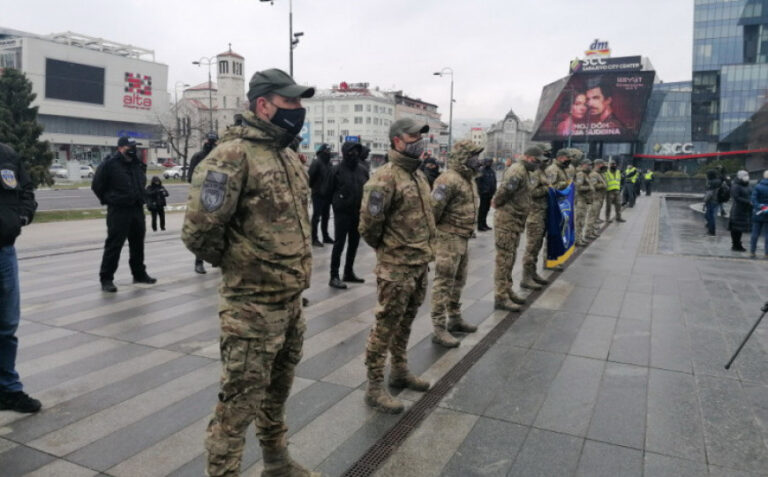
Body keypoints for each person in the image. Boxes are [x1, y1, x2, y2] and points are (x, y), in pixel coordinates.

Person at [182, 68, 319, 477]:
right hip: (252, 310)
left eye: (298, 102)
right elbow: (199, 233)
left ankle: (276, 463)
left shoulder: (286, 155)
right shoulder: (232, 156)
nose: (298, 110)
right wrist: (244, 266)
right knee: (237, 407)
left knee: (277, 394)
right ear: (263, 105)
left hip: (290, 303)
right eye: (290, 102)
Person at [359, 117, 436, 414]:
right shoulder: (384, 178)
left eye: (421, 135)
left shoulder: (418, 176)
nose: (419, 139)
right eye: (413, 135)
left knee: (405, 322)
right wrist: (390, 250)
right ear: (396, 141)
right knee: (385, 326)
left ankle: (400, 370)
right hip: (396, 268)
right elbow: (368, 226)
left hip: (419, 265)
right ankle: (374, 386)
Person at [430, 140, 483, 348]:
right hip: (448, 238)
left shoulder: (468, 179)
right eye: (473, 156)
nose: (477, 160)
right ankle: (438, 327)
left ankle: (454, 317)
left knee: (459, 280)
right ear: (463, 157)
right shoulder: (448, 179)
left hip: (463, 237)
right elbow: (433, 210)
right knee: (443, 282)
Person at [0, 142, 41, 414]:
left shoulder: (7, 155)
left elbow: (26, 190)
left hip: (4, 250)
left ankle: (7, 389)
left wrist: (21, 217)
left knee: (7, 323)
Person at [92, 137, 156, 293]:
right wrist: (109, 199)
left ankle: (139, 274)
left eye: (135, 146)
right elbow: (97, 185)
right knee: (114, 245)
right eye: (130, 146)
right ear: (120, 148)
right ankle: (106, 278)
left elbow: (141, 182)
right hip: (119, 210)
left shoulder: (137, 164)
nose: (133, 149)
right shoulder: (110, 164)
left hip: (136, 209)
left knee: (138, 244)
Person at [493, 146, 542, 311]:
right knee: (504, 261)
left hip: (515, 221)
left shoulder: (525, 171)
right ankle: (500, 297)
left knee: (510, 259)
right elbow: (504, 192)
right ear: (528, 157)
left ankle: (507, 290)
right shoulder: (517, 171)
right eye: (536, 160)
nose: (538, 164)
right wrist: (497, 204)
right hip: (507, 221)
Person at [327, 141, 368, 289]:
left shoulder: (362, 170)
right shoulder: (336, 170)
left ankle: (348, 272)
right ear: (345, 153)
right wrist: (337, 204)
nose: (354, 154)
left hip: (357, 212)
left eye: (357, 151)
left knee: (354, 243)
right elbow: (328, 190)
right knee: (339, 244)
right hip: (342, 212)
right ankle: (334, 276)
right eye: (351, 151)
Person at [187, 133, 219, 274]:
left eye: (213, 141)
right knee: (201, 230)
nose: (211, 143)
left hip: (217, 196)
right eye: (209, 141)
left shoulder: (220, 156)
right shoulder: (198, 156)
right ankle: (198, 262)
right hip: (201, 196)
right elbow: (190, 177)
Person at [520, 149, 551, 291]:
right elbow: (531, 192)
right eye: (542, 160)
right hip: (535, 215)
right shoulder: (535, 174)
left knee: (537, 246)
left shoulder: (543, 173)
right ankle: (526, 277)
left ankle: (533, 273)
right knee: (531, 247)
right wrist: (546, 189)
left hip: (543, 214)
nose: (545, 162)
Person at [308, 143, 334, 247]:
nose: (329, 153)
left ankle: (325, 236)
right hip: (318, 194)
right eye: (327, 151)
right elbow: (310, 178)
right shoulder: (316, 162)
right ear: (322, 152)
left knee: (326, 216)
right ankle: (314, 238)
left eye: (329, 151)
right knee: (316, 217)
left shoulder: (329, 164)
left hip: (327, 195)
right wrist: (316, 188)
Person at [728, 170, 751, 252]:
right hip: (737, 210)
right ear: (740, 176)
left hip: (745, 210)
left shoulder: (747, 185)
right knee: (735, 228)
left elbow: (750, 194)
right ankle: (735, 245)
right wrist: (748, 201)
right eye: (745, 175)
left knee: (740, 229)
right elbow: (736, 197)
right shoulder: (736, 186)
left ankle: (738, 244)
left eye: (747, 175)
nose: (747, 177)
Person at [574, 159, 595, 246]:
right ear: (583, 165)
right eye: (588, 165)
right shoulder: (580, 174)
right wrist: (589, 188)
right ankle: (577, 240)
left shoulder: (586, 174)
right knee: (579, 221)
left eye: (591, 165)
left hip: (585, 201)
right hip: (580, 201)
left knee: (582, 221)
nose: (590, 166)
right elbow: (578, 187)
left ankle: (580, 238)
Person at [587, 159, 607, 239]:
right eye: (602, 164)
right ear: (598, 164)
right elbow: (593, 185)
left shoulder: (599, 174)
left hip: (599, 198)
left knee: (595, 217)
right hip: (595, 198)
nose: (604, 166)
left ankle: (592, 232)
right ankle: (588, 233)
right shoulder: (594, 174)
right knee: (592, 217)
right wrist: (603, 185)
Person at [750, 170, 768, 258]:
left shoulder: (758, 186)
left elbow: (753, 199)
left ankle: (752, 251)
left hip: (758, 212)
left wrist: (760, 207)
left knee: (755, 233)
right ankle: (766, 253)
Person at [476, 158, 497, 231]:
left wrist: (494, 190)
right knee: (482, 209)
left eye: (490, 162)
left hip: (490, 193)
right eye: (488, 162)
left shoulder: (491, 171)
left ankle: (484, 223)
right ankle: (480, 225)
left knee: (487, 209)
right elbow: (478, 182)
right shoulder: (481, 171)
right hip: (483, 194)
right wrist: (481, 190)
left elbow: (494, 181)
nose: (490, 163)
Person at [704, 169, 721, 236]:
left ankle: (711, 231)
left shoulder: (711, 182)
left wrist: (705, 200)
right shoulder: (719, 181)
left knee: (710, 216)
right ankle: (711, 229)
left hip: (711, 201)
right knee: (711, 216)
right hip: (717, 200)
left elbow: (709, 193)